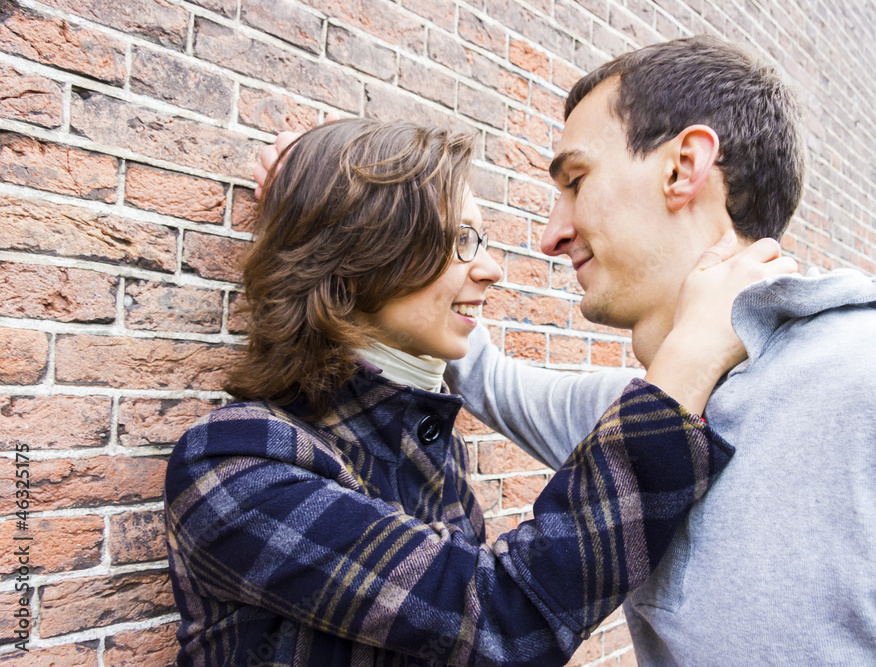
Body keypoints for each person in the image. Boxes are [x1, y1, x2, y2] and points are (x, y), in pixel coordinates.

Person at [259, 35, 876, 664]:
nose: (550, 233)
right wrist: (348, 228)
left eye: (575, 180)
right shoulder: (627, 415)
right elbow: (482, 372)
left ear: (684, 168)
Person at [166, 118, 795, 666]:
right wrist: (687, 359)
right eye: (460, 240)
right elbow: (498, 620)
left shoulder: (428, 447)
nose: (492, 269)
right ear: (362, 248)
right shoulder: (237, 463)